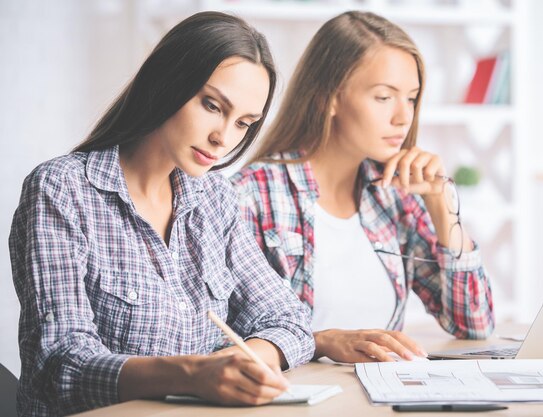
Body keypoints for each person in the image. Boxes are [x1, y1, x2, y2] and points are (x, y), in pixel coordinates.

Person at [9, 12, 314, 417]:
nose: (223, 138)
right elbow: (60, 363)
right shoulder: (61, 189)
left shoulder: (215, 199)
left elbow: (289, 318)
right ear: (168, 83)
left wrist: (249, 361)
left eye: (243, 123)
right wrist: (191, 374)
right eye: (211, 105)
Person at [231, 11, 495, 364]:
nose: (404, 117)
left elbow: (475, 324)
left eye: (412, 98)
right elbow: (224, 336)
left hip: (384, 397)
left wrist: (442, 208)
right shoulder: (251, 195)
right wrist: (320, 341)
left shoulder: (395, 197)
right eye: (384, 97)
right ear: (330, 98)